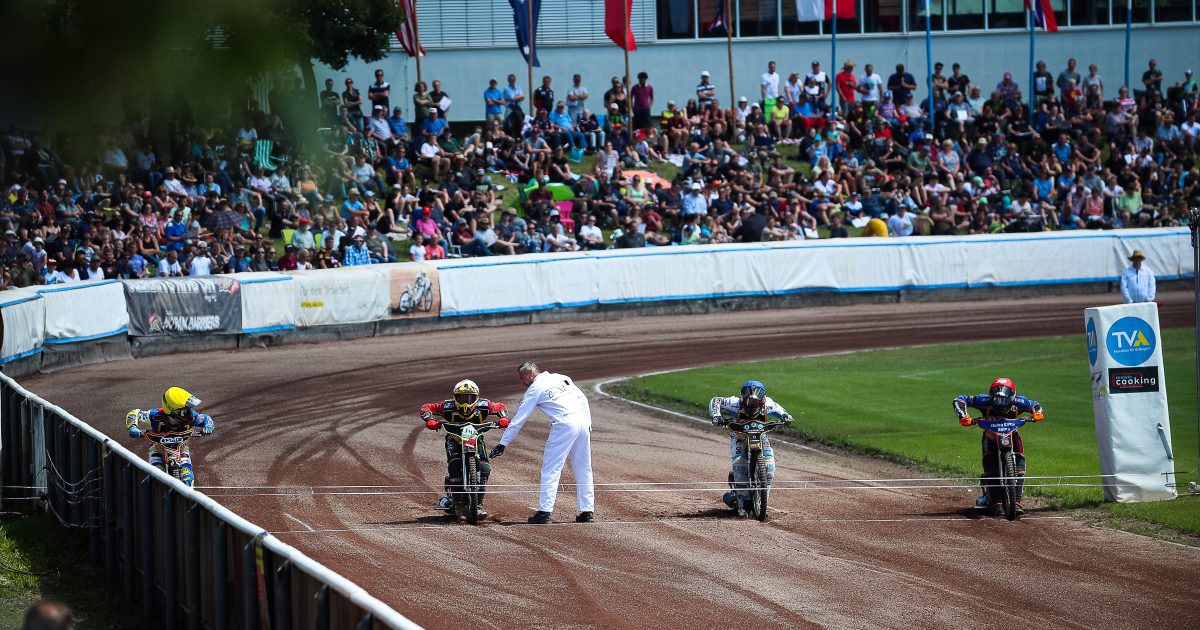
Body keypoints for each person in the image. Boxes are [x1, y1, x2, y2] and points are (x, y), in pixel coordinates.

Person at [489, 362, 595, 524]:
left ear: (530, 374)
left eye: (521, 378)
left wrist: (503, 443)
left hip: (564, 425)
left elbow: (519, 418)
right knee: (583, 467)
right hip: (582, 422)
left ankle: (545, 512)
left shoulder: (535, 389)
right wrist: (588, 424)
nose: (521, 382)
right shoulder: (561, 378)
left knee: (551, 468)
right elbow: (583, 398)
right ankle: (587, 511)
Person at [953, 378, 1044, 515]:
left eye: (1004, 400)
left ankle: (1016, 501)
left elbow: (1034, 404)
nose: (1000, 403)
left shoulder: (1020, 402)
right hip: (990, 435)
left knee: (1019, 464)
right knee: (990, 464)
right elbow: (960, 399)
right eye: (996, 399)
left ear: (1012, 397)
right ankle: (996, 502)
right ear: (991, 396)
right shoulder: (983, 400)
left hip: (1011, 434)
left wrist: (1036, 413)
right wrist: (964, 416)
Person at [419, 380, 509, 519]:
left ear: (476, 397)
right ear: (456, 397)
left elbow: (500, 406)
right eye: (462, 397)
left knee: (485, 468)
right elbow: (426, 407)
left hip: (476, 437)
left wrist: (503, 417)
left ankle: (478, 505)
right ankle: (459, 504)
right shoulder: (447, 406)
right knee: (454, 464)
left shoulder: (484, 405)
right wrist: (429, 420)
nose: (466, 401)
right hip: (454, 438)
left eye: (470, 397)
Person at [709, 381, 793, 518]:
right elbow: (716, 401)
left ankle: (762, 500)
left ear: (762, 401)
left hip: (760, 436)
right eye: (749, 401)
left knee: (770, 467)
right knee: (740, 466)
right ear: (742, 399)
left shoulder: (769, 404)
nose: (752, 405)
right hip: (739, 436)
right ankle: (741, 506)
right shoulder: (734, 402)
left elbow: (781, 411)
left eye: (756, 402)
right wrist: (716, 416)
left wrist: (785, 416)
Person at [125, 387, 215, 487]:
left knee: (187, 476)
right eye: (184, 410)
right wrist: (133, 427)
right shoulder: (155, 416)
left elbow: (206, 418)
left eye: (188, 409)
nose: (189, 413)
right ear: (172, 410)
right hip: (157, 448)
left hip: (181, 447)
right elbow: (134, 413)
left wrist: (208, 426)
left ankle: (188, 498)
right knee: (157, 475)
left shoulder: (192, 417)